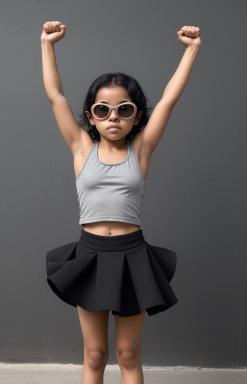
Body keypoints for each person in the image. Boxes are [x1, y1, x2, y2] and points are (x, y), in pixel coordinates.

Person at [41, 21, 201, 384]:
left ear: (137, 116)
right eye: (102, 110)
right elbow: (55, 96)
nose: (113, 116)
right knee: (94, 354)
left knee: (129, 354)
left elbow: (169, 99)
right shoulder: (82, 148)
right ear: (91, 117)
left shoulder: (140, 150)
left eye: (124, 109)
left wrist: (191, 49)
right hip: (90, 254)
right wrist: (47, 44)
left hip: (132, 255)